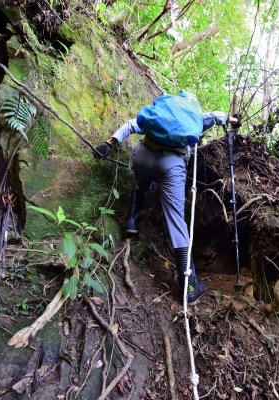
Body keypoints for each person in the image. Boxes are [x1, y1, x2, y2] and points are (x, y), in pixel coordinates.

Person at [95, 92, 240, 304]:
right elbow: (218, 116)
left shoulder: (161, 114)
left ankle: (132, 221)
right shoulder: (195, 116)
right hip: (171, 165)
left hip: (142, 157)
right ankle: (189, 286)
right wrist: (233, 120)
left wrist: (109, 144)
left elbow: (130, 124)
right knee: (176, 220)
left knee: (142, 183)